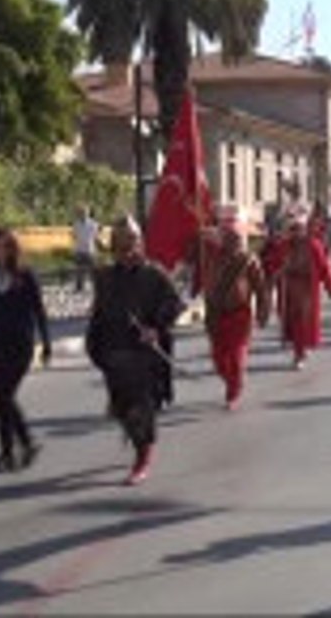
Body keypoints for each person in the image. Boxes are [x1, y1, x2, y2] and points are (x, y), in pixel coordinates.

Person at [85, 217, 184, 486]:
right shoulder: (105, 277)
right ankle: (135, 436)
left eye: (132, 242)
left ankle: (142, 458)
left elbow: (176, 304)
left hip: (146, 356)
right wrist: (94, 344)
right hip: (115, 353)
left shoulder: (155, 274)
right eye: (121, 244)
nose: (128, 249)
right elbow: (99, 312)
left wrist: (156, 326)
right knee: (122, 409)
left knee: (142, 410)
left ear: (141, 243)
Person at [0, 229, 52, 473]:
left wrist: (47, 344)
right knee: (0, 401)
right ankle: (8, 453)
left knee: (6, 396)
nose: (1, 251)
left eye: (6, 246)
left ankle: (27, 442)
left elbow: (39, 310)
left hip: (21, 343)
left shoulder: (26, 275)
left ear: (13, 249)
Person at [204, 217, 270, 409]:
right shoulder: (213, 257)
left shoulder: (248, 260)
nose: (232, 240)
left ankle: (233, 391)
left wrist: (262, 311)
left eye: (235, 237)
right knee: (218, 358)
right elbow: (207, 281)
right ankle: (230, 380)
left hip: (240, 315)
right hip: (217, 313)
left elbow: (261, 289)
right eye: (228, 236)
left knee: (236, 355)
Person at [271, 213, 331, 370]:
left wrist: (330, 287)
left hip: (307, 290)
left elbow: (323, 266)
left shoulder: (314, 245)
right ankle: (298, 350)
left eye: (298, 229)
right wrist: (276, 273)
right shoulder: (284, 245)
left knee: (303, 323)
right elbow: (274, 263)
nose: (295, 232)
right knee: (292, 324)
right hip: (289, 290)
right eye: (292, 229)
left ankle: (299, 354)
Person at [71, 206, 100, 294]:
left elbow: (96, 236)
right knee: (79, 270)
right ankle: (79, 287)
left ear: (88, 213)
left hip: (89, 249)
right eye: (81, 212)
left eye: (84, 212)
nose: (82, 214)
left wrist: (99, 246)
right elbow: (74, 236)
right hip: (79, 249)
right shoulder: (76, 224)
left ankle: (97, 287)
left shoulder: (93, 224)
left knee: (93, 270)